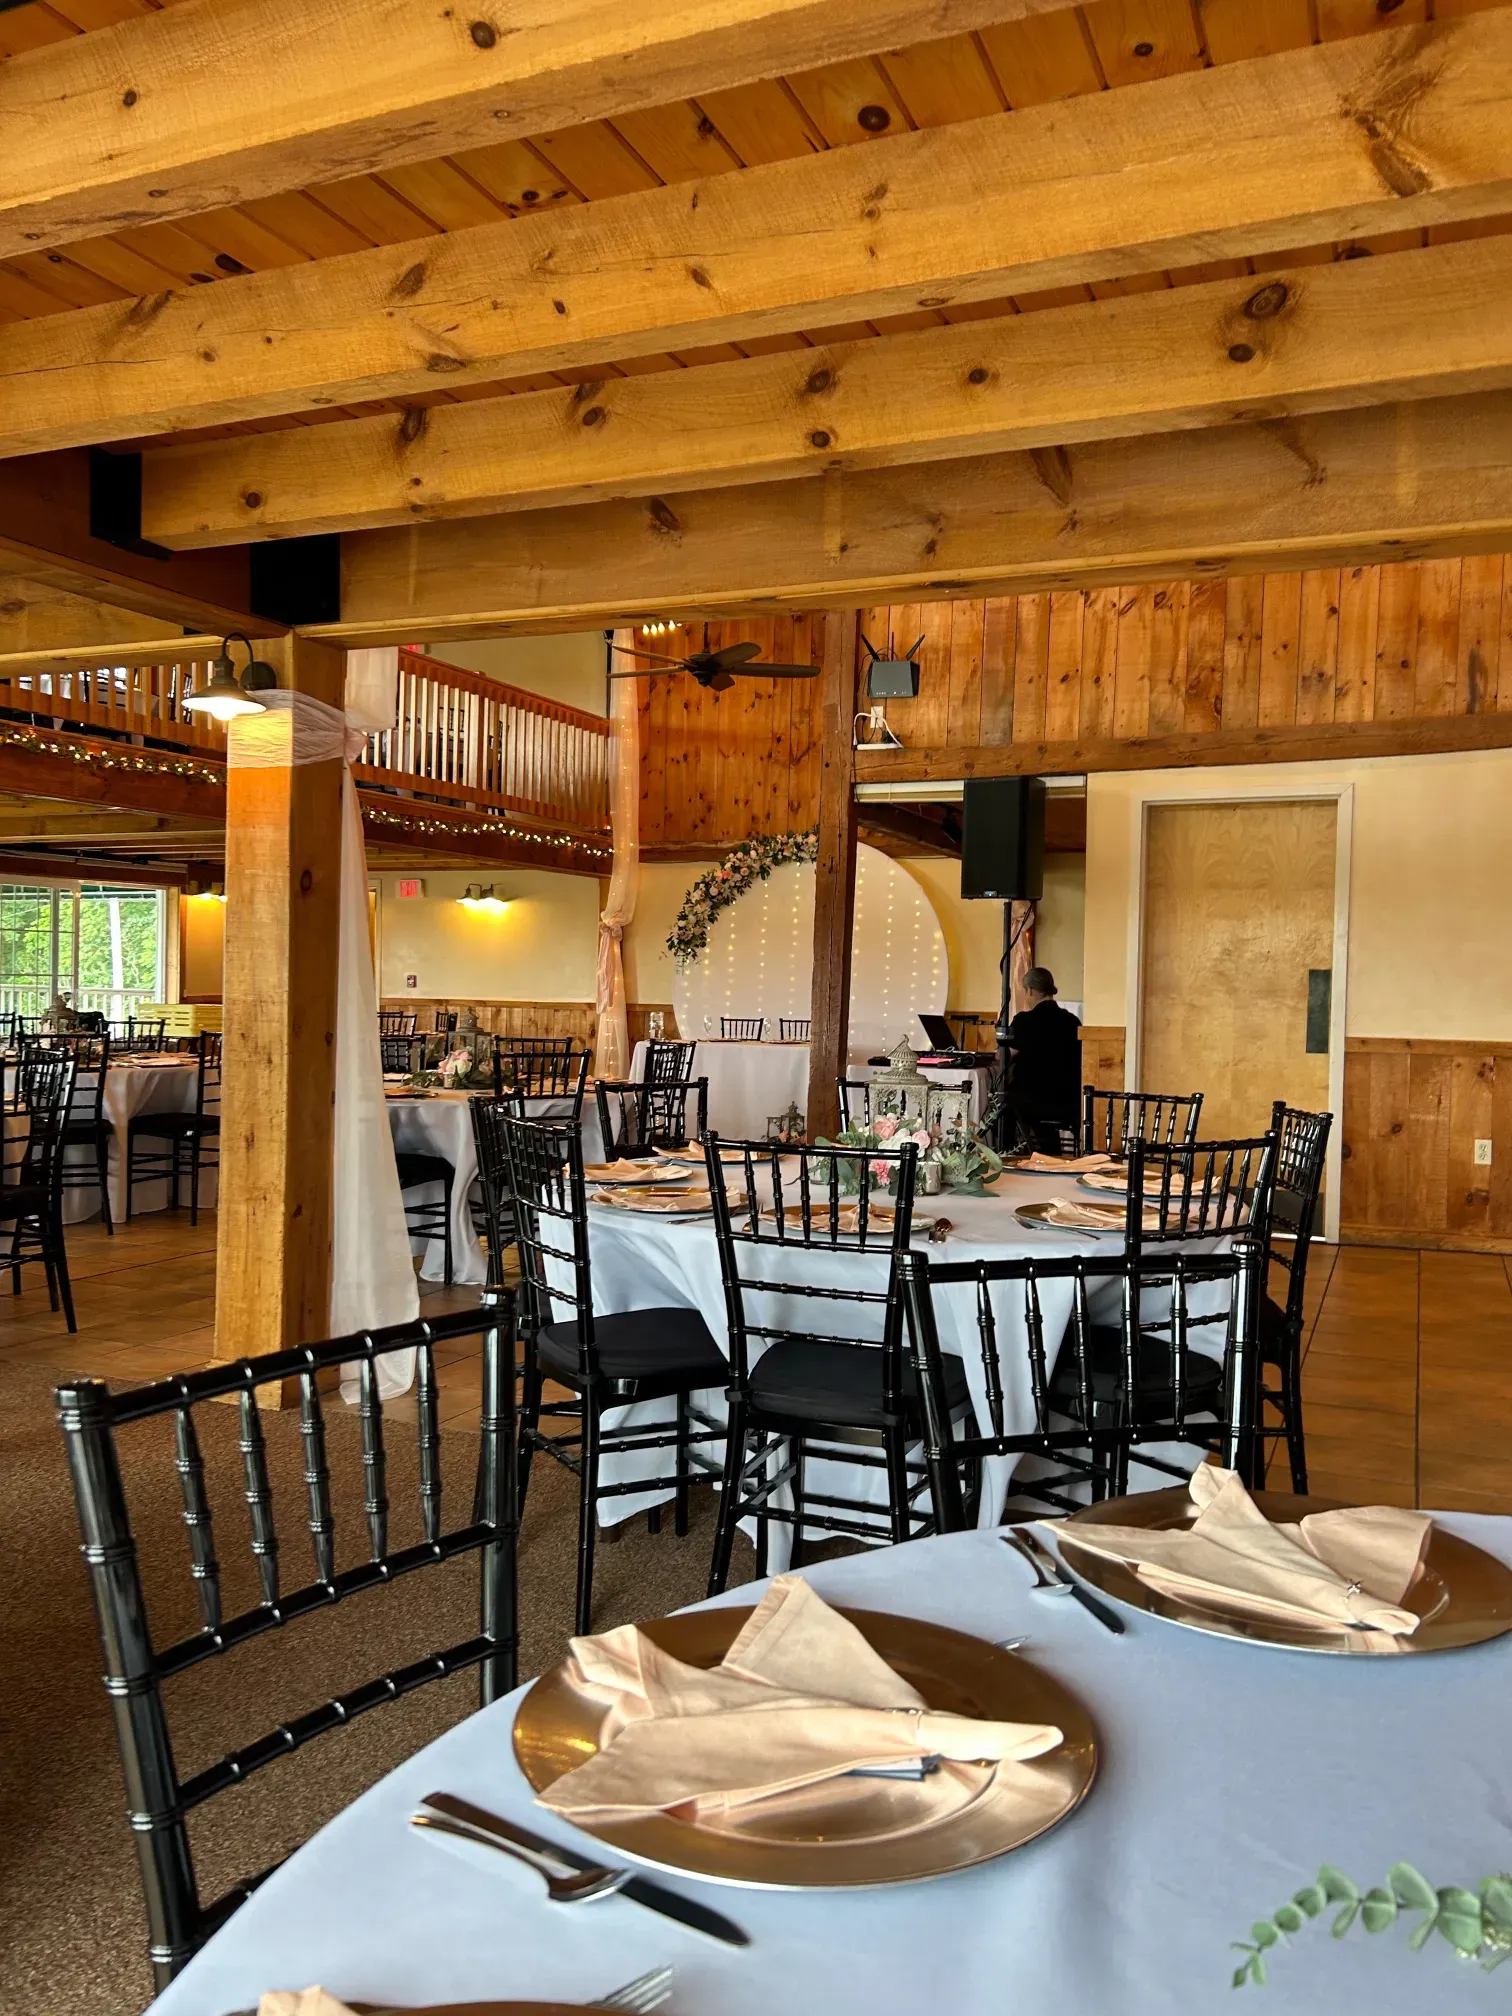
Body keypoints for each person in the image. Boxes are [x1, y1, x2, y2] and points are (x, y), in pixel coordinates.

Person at [1002, 967, 1082, 1151]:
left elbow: (1007, 1055)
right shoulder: (1072, 1022)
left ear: (1030, 990)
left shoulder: (1024, 1021)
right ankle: (1049, 1152)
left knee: (1004, 1104)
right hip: (1069, 1101)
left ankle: (1009, 1154)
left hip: (1034, 1100)